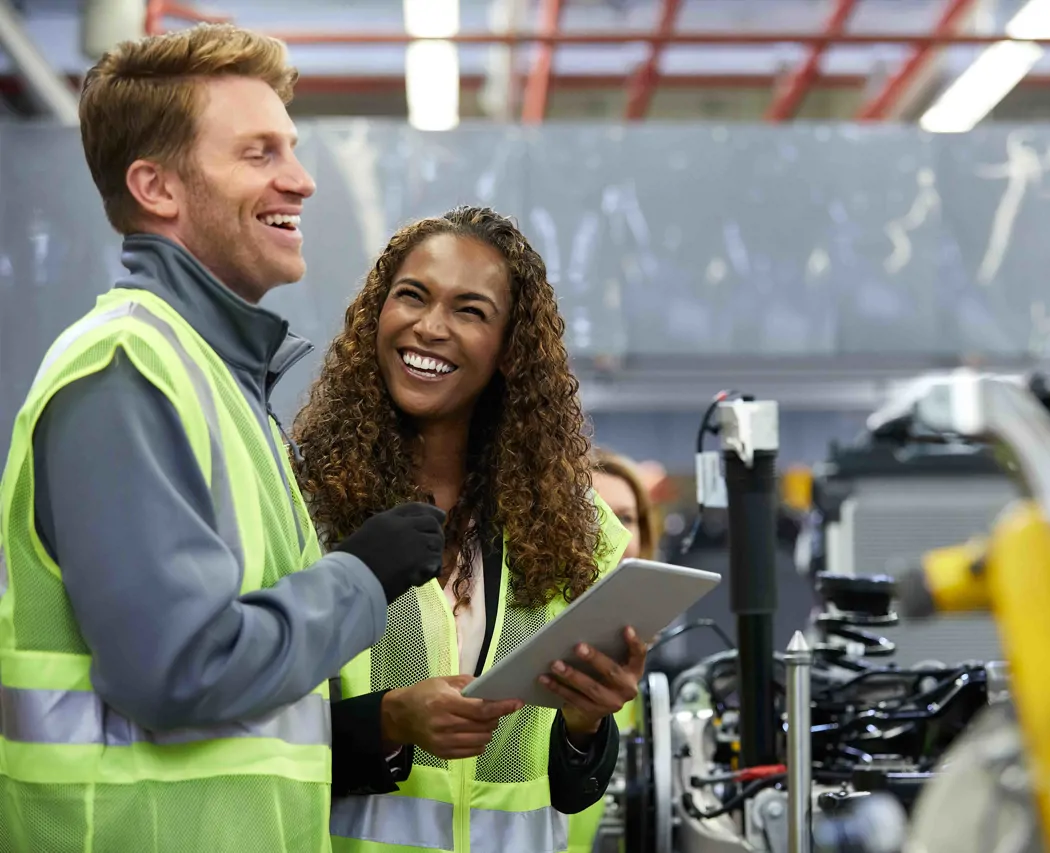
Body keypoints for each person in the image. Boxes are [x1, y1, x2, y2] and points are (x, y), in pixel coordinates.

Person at [0, 24, 444, 852]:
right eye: (258, 153)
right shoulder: (127, 371)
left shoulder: (216, 380)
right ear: (157, 188)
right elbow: (180, 667)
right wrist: (358, 579)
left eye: (294, 149)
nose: (301, 180)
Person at [292, 205, 647, 852]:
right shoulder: (306, 505)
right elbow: (253, 723)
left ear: (511, 350)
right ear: (377, 315)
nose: (430, 327)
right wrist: (389, 720)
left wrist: (585, 724)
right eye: (412, 296)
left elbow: (570, 789)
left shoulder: (579, 529)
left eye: (470, 310)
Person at [567, 446, 662, 853]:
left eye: (625, 518)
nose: (613, 535)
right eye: (596, 516)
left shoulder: (642, 661)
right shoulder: (516, 637)